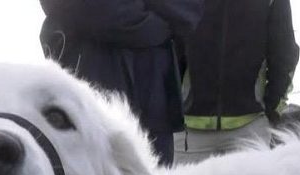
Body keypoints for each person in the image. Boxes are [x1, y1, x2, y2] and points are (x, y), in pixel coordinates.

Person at [39, 0, 204, 166]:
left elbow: (187, 9)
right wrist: (154, 24)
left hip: (153, 100)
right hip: (91, 94)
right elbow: (96, 10)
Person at [175, 0, 300, 163]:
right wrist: (170, 108)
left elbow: (284, 52)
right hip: (188, 131)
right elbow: (169, 50)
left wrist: (272, 109)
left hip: (249, 130)